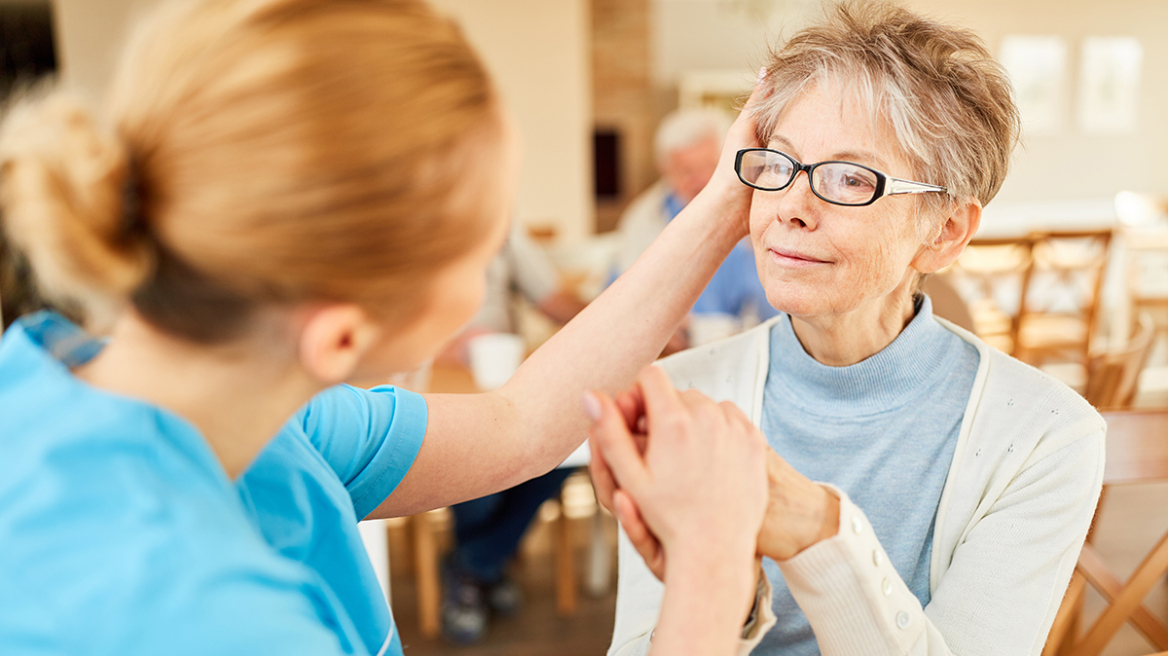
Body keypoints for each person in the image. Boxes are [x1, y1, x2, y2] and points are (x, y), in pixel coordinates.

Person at [0, 1, 768, 655]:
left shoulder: (213, 405)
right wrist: (709, 568)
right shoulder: (204, 618)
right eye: (478, 249)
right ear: (341, 338)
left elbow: (518, 424)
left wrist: (726, 202)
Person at [596, 2, 1105, 655]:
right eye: (777, 164)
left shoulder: (1045, 437)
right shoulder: (677, 396)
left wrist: (818, 531)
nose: (791, 207)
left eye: (847, 177)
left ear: (945, 232)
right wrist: (724, 583)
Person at [437, 224, 584, 644]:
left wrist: (633, 320)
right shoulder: (400, 227)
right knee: (476, 477)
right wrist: (446, 349)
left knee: (565, 446)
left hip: (503, 385)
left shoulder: (499, 232)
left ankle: (473, 567)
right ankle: (483, 568)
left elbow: (554, 301)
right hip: (432, 387)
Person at [612, 109, 778, 349]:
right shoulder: (644, 219)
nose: (700, 180)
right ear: (665, 169)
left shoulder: (758, 209)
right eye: (686, 171)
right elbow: (618, 303)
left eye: (710, 166)